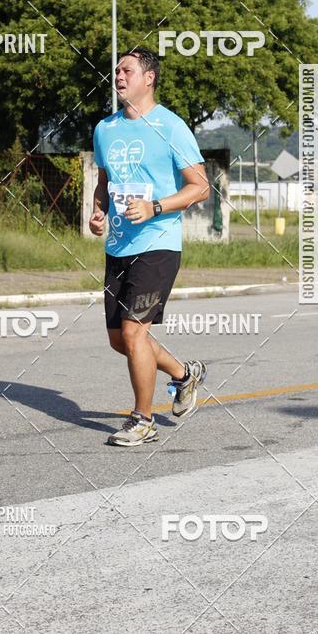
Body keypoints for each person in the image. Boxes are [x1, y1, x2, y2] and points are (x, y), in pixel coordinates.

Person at [89, 47, 210, 446]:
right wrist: (97, 212)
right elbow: (105, 182)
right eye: (117, 71)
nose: (119, 76)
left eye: (127, 70)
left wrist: (155, 206)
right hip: (118, 244)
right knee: (118, 339)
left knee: (134, 332)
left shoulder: (171, 127)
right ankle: (183, 373)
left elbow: (200, 187)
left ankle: (143, 419)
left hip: (158, 244)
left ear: (149, 78)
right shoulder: (105, 128)